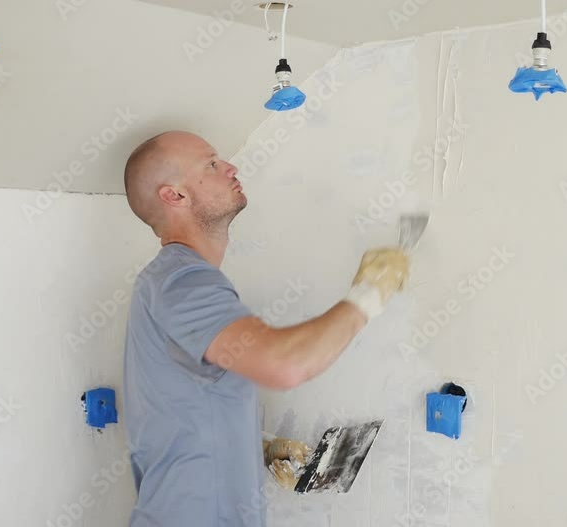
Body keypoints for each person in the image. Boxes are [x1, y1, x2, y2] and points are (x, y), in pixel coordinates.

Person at [121, 131, 409, 526]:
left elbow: (182, 408)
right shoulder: (183, 283)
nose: (230, 167)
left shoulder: (175, 282)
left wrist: (254, 447)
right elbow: (284, 365)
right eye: (211, 164)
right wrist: (368, 295)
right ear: (175, 196)